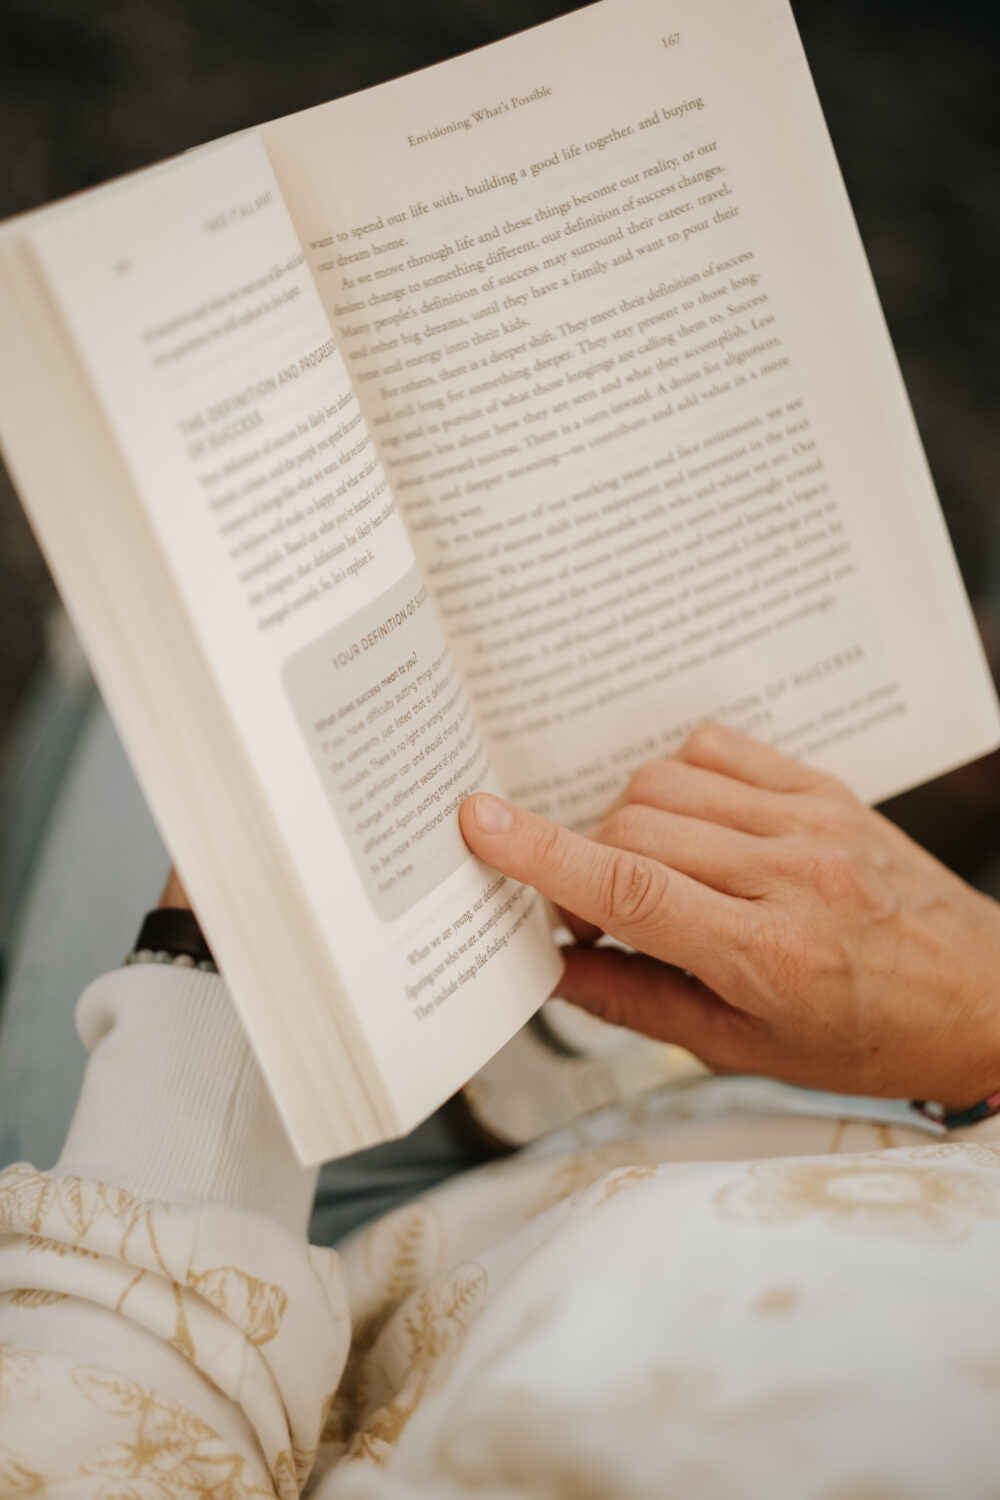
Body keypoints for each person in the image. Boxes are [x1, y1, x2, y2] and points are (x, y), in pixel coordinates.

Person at [2, 722, 1000, 1496]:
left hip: (241, 1299)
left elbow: (102, 1443)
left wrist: (211, 965)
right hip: (806, 1107)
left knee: (153, 721)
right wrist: (979, 1014)